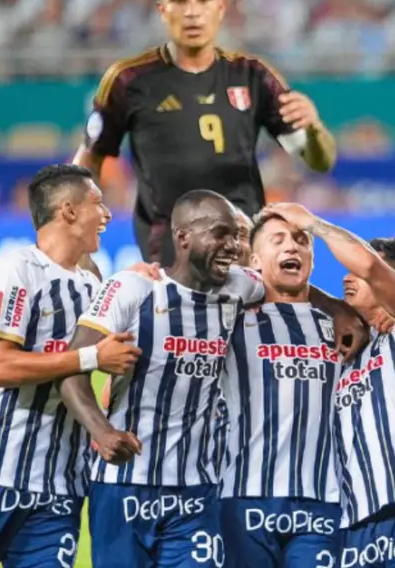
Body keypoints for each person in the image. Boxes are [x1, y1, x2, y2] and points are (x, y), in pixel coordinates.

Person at [0, 164, 140, 568]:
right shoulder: (17, 271)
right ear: (68, 211)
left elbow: (91, 376)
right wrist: (92, 357)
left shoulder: (95, 287)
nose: (108, 214)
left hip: (59, 487)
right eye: (98, 203)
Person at [73, 0, 338, 267]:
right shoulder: (129, 80)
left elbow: (320, 161)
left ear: (220, 7)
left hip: (243, 254)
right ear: (163, 9)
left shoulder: (253, 75)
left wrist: (314, 129)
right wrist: (78, 242)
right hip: (168, 260)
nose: (192, 11)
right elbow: (87, 163)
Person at [59, 189, 268, 567]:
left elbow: (293, 290)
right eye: (219, 233)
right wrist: (101, 431)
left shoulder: (240, 287)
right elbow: (71, 367)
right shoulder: (133, 288)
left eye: (235, 236)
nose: (233, 246)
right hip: (122, 485)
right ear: (183, 237)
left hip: (197, 489)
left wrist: (339, 311)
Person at [265, 203, 395, 568]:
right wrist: (337, 309)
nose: (347, 277)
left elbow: (370, 265)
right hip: (353, 528)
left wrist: (313, 224)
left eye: (358, 274)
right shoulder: (344, 347)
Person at [218, 211, 349, 567]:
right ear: (254, 260)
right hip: (244, 497)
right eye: (278, 240)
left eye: (302, 241)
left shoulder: (344, 327)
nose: (293, 245)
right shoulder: (229, 321)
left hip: (322, 501)